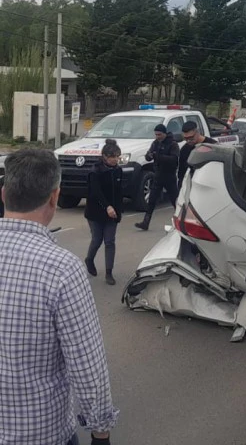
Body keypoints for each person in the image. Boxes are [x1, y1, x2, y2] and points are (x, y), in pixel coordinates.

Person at [0, 148, 118, 444]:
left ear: (4, 194)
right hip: (39, 434)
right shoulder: (62, 269)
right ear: (54, 197)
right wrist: (100, 432)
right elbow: (87, 365)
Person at [84, 138, 123, 285]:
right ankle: (89, 259)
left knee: (110, 241)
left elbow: (119, 193)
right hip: (96, 212)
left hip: (112, 213)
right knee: (97, 239)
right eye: (113, 157)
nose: (115, 160)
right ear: (104, 156)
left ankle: (109, 273)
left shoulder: (118, 170)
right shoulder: (95, 171)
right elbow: (96, 193)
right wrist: (107, 206)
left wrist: (118, 211)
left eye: (117, 156)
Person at [135, 123, 180, 231]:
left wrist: (158, 156)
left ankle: (181, 221)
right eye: (156, 134)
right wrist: (149, 156)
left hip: (169, 176)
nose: (157, 137)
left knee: (175, 200)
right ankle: (145, 222)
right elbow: (149, 156)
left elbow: (174, 159)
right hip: (158, 175)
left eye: (159, 134)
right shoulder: (155, 143)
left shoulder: (173, 144)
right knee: (152, 200)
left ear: (165, 133)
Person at [177, 120, 217, 190]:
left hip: (209, 185)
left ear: (197, 132)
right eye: (186, 138)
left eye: (191, 138)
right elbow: (181, 173)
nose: (188, 141)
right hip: (190, 187)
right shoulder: (184, 149)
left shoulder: (213, 146)